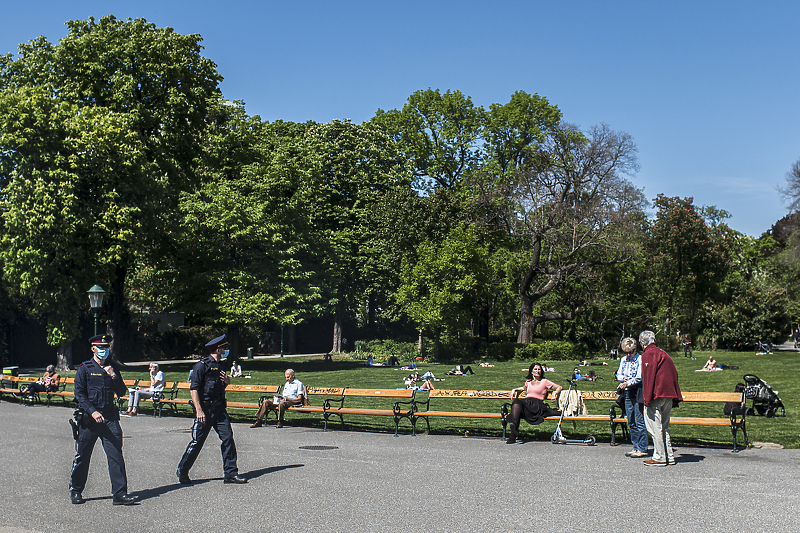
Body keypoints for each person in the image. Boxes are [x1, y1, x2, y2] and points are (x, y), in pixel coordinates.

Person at [69, 334, 137, 505]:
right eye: (101, 347)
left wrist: (113, 375)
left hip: (109, 419)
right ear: (93, 349)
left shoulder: (112, 367)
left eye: (106, 347)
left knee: (116, 456)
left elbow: (122, 392)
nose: (104, 350)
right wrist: (92, 412)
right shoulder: (85, 368)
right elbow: (79, 395)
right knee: (83, 456)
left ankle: (120, 494)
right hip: (90, 420)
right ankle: (76, 490)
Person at [176, 334, 247, 485]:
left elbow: (218, 387)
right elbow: (194, 389)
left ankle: (230, 473)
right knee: (197, 442)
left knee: (228, 439)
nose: (226, 350)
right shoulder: (201, 365)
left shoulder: (221, 365)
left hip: (219, 409)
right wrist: (199, 410)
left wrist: (227, 382)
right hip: (205, 410)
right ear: (217, 349)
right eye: (224, 348)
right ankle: (182, 470)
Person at [639, 330, 682, 467]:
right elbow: (674, 373)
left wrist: (647, 398)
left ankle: (659, 457)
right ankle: (669, 456)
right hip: (669, 394)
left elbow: (648, 377)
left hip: (656, 395)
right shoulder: (664, 353)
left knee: (654, 427)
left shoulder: (648, 354)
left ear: (642, 342)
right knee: (664, 427)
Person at [505, 362, 562, 444]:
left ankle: (513, 435)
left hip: (537, 405)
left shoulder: (544, 381)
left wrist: (555, 393)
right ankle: (513, 431)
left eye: (539, 369)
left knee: (516, 411)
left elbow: (559, 387)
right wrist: (514, 390)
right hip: (527, 403)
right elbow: (523, 388)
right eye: (535, 369)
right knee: (516, 402)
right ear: (531, 371)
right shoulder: (528, 382)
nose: (537, 371)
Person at [615, 337, 648, 458]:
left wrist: (627, 383)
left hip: (637, 392)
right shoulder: (624, 360)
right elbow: (618, 373)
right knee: (631, 420)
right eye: (626, 352)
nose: (629, 354)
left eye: (631, 352)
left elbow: (639, 377)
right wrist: (622, 378)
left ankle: (643, 447)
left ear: (635, 349)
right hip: (627, 393)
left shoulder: (640, 359)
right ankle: (635, 446)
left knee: (639, 420)